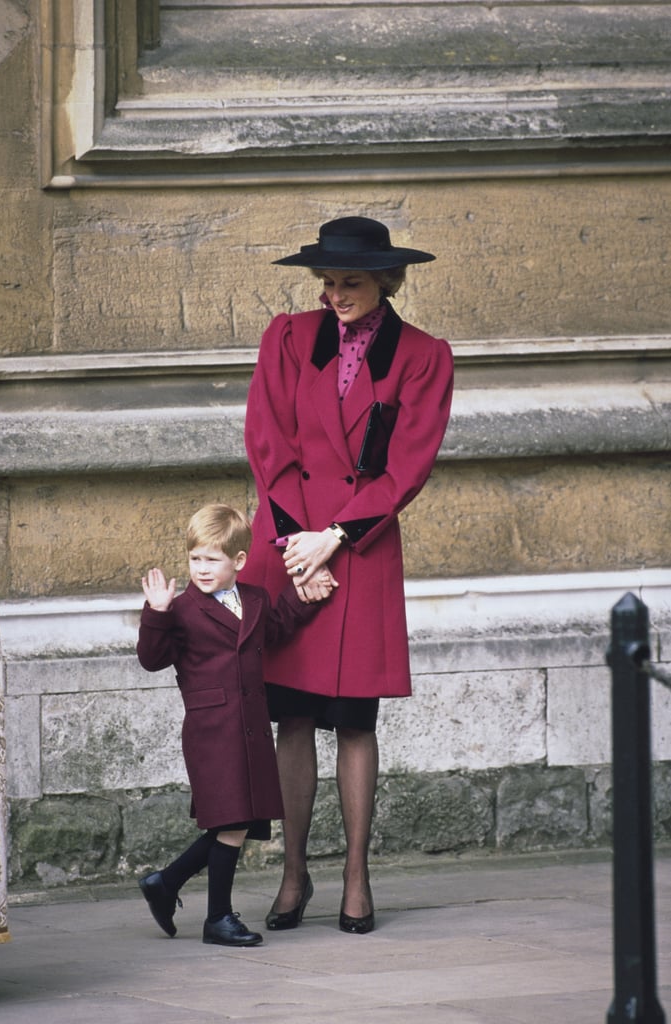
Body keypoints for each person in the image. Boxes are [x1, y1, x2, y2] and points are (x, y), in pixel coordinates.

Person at [241, 215, 454, 934]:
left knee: (356, 720)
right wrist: (298, 544)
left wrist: (334, 537)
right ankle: (293, 874)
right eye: (326, 282)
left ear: (387, 281)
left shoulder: (424, 355)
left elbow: (409, 464)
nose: (335, 294)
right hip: (289, 543)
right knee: (293, 714)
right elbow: (266, 441)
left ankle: (357, 879)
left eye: (351, 282)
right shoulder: (287, 337)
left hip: (360, 550)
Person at [136, 502, 335, 946]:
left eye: (213, 559)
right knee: (230, 822)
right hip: (212, 732)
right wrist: (157, 613)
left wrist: (304, 592)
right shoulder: (182, 609)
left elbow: (278, 628)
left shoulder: (257, 600)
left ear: (239, 561)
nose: (202, 569)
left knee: (238, 822)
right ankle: (217, 918)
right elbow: (151, 660)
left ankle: (166, 884)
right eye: (195, 559)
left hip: (251, 728)